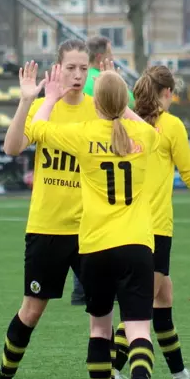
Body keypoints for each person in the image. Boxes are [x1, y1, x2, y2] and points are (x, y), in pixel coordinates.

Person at [29, 65, 190, 379]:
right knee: (138, 328)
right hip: (137, 244)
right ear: (126, 102)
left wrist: (50, 98)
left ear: (95, 103)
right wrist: (122, 103)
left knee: (100, 329)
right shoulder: (144, 134)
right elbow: (143, 127)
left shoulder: (84, 133)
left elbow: (35, 129)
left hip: (95, 247)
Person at [0, 40, 131, 379]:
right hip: (47, 228)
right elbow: (12, 147)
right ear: (57, 68)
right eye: (70, 67)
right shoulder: (42, 108)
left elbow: (130, 141)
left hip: (91, 232)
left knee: (101, 314)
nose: (77, 75)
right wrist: (27, 100)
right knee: (32, 310)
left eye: (84, 68)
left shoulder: (97, 109)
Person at [107, 65, 190, 379]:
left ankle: (180, 376)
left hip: (125, 225)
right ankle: (110, 369)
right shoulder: (170, 126)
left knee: (163, 296)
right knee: (140, 306)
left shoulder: (125, 124)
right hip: (155, 230)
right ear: (166, 93)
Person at [70, 35, 136, 306]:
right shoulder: (106, 81)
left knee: (82, 220)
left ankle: (81, 287)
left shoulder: (79, 83)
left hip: (78, 152)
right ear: (102, 58)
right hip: (104, 153)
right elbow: (128, 104)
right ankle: (102, 283)